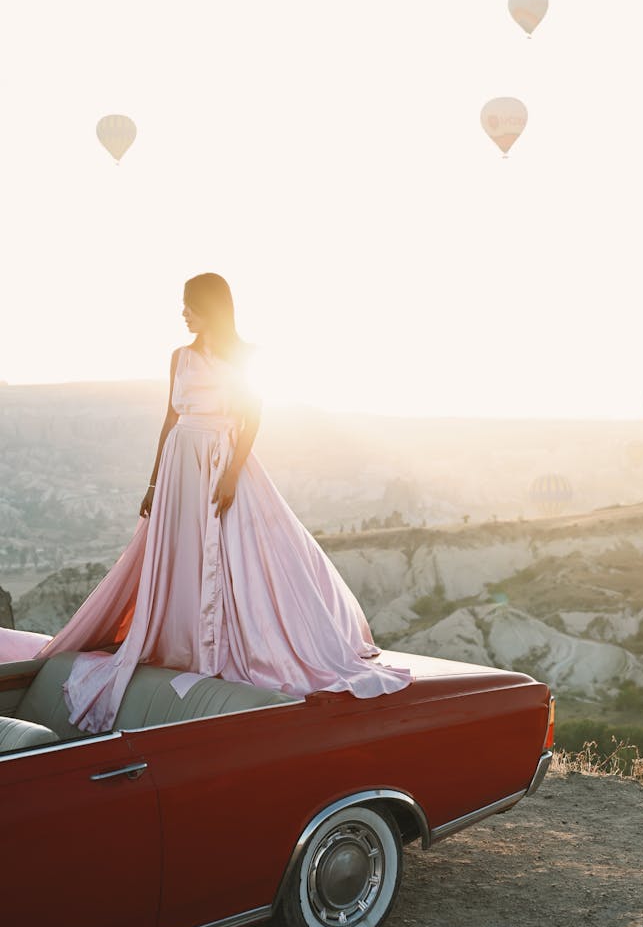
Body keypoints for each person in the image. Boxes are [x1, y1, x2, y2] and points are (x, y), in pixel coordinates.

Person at [1, 273, 411, 732]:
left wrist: (233, 472)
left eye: (189, 305)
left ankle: (233, 641)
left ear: (210, 307)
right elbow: (168, 419)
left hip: (222, 457)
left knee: (237, 551)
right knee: (182, 551)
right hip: (180, 460)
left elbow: (252, 417)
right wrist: (154, 485)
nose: (183, 313)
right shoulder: (180, 357)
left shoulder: (246, 357)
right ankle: (187, 637)